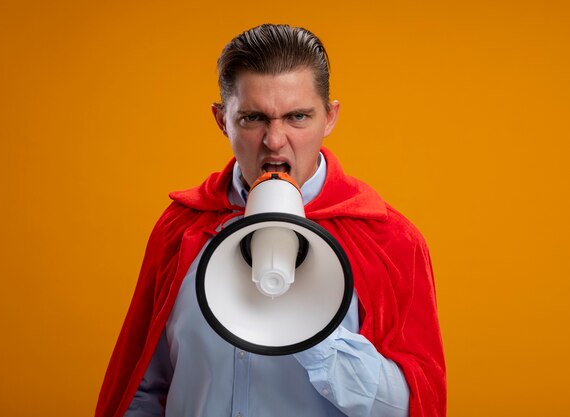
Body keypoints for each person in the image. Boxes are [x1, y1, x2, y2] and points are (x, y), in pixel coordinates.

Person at [95, 24, 446, 417]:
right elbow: (143, 388)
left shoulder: (389, 241)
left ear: (329, 118)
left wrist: (313, 333)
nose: (275, 140)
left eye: (298, 116)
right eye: (252, 118)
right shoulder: (182, 229)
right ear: (221, 120)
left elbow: (411, 407)